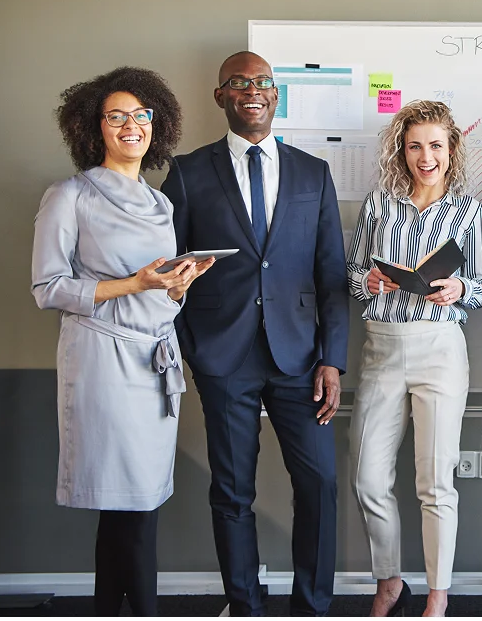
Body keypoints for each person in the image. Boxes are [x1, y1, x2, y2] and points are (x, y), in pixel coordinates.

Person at [161, 51, 349, 615]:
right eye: (239, 82)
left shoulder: (312, 172)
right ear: (221, 95)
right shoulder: (188, 172)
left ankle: (312, 604)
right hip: (224, 357)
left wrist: (332, 360)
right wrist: (192, 347)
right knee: (233, 492)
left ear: (276, 94)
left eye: (263, 82)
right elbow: (169, 270)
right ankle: (245, 605)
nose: (253, 90)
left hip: (300, 359)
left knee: (319, 485)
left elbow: (332, 275)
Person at [32, 67, 213, 615]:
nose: (131, 125)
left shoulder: (161, 204)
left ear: (157, 124)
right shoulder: (70, 196)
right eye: (117, 116)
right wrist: (135, 283)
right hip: (103, 361)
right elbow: (47, 288)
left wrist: (177, 289)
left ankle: (113, 607)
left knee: (137, 503)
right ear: (95, 127)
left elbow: (157, 292)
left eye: (142, 115)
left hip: (156, 361)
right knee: (127, 503)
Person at [346, 100, 482, 617]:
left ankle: (437, 595)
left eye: (435, 145)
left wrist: (458, 288)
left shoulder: (469, 210)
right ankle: (389, 581)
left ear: (451, 150)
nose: (424, 156)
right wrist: (370, 280)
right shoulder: (379, 204)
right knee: (368, 479)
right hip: (382, 346)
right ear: (400, 150)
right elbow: (353, 274)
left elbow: (481, 287)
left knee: (435, 481)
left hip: (440, 349)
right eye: (414, 146)